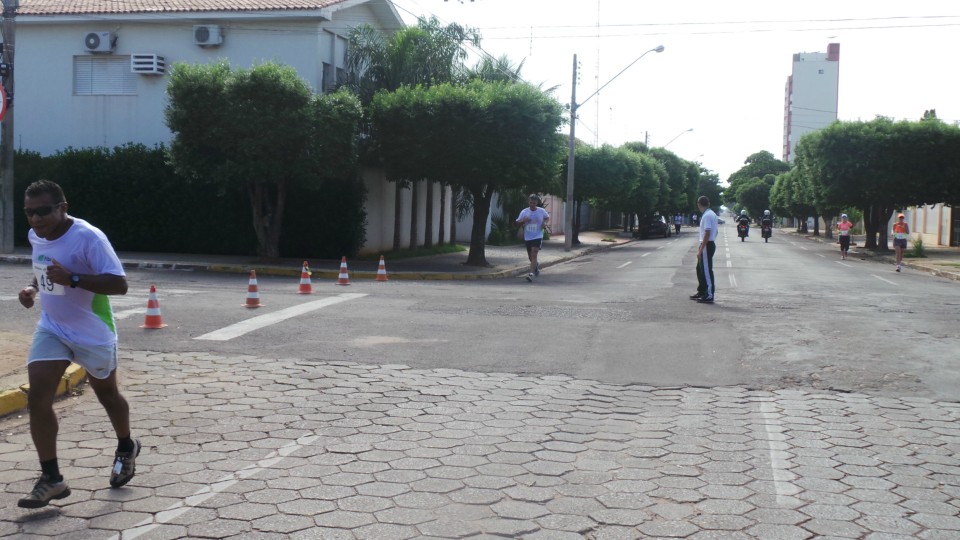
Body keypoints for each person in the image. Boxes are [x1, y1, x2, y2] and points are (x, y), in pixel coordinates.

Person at [17, 180, 139, 509]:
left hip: (93, 332)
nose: (36, 219)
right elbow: (44, 270)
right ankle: (52, 479)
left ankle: (126, 446)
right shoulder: (35, 236)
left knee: (108, 395)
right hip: (53, 328)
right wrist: (32, 289)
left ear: (63, 208)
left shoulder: (88, 237)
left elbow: (119, 284)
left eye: (43, 211)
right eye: (29, 212)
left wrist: (72, 278)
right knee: (38, 396)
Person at [516, 194, 550, 282]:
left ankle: (530, 274)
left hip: (538, 235)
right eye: (531, 202)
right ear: (529, 202)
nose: (532, 205)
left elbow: (547, 217)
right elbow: (517, 223)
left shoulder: (541, 211)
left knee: (534, 253)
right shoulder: (524, 212)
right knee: (531, 257)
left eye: (534, 203)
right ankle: (535, 266)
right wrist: (524, 220)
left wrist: (544, 223)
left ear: (537, 203)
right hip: (528, 236)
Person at [690, 195, 718, 304]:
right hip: (708, 243)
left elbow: (707, 232)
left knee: (706, 270)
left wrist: (701, 249)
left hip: (706, 244)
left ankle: (709, 294)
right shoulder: (711, 214)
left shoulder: (707, 215)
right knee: (700, 269)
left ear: (699, 204)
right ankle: (702, 291)